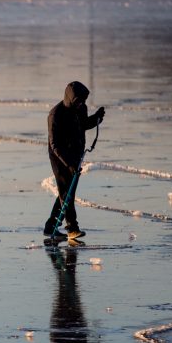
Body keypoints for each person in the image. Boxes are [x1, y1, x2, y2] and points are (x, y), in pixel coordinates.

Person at [45, 81, 104, 239]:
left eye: (83, 101)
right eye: (79, 101)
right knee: (67, 194)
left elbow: (83, 125)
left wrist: (96, 118)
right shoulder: (55, 115)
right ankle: (72, 228)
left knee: (66, 193)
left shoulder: (80, 108)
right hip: (59, 157)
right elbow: (54, 144)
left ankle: (51, 226)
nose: (82, 104)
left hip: (75, 155)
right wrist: (68, 164)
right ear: (70, 98)